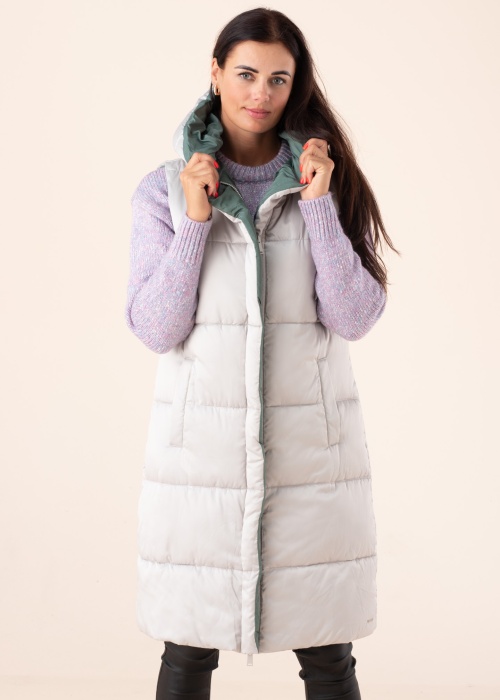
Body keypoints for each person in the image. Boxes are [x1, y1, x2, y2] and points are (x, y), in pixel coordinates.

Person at [125, 7, 398, 700]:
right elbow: (155, 328)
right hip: (201, 467)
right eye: (246, 74)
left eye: (279, 78)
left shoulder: (327, 181)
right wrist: (195, 222)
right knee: (187, 653)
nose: (261, 93)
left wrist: (318, 206)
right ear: (215, 73)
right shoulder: (162, 191)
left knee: (329, 658)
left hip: (312, 465)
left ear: (295, 84)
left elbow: (355, 317)